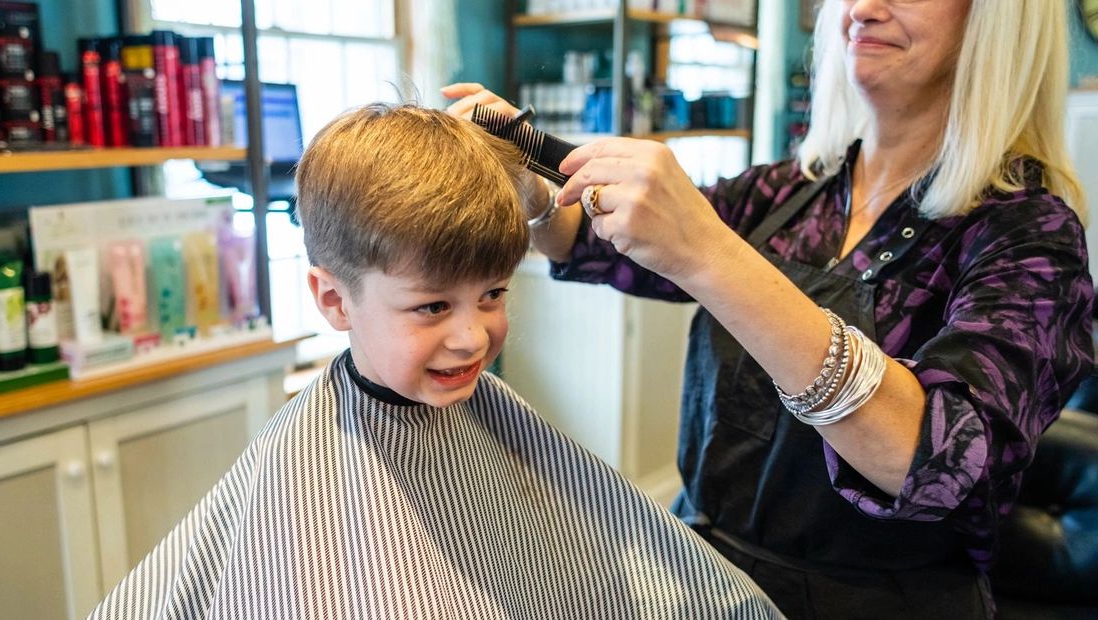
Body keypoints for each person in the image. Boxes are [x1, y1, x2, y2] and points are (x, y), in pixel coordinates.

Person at [443, 1, 1092, 618]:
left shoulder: (1027, 234)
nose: (861, 7)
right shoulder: (795, 191)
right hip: (707, 572)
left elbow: (948, 465)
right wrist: (530, 186)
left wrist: (709, 253)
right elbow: (600, 241)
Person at [86, 104, 782, 619]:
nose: (472, 338)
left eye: (492, 295)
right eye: (430, 308)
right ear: (333, 300)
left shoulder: (500, 423)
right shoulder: (296, 466)